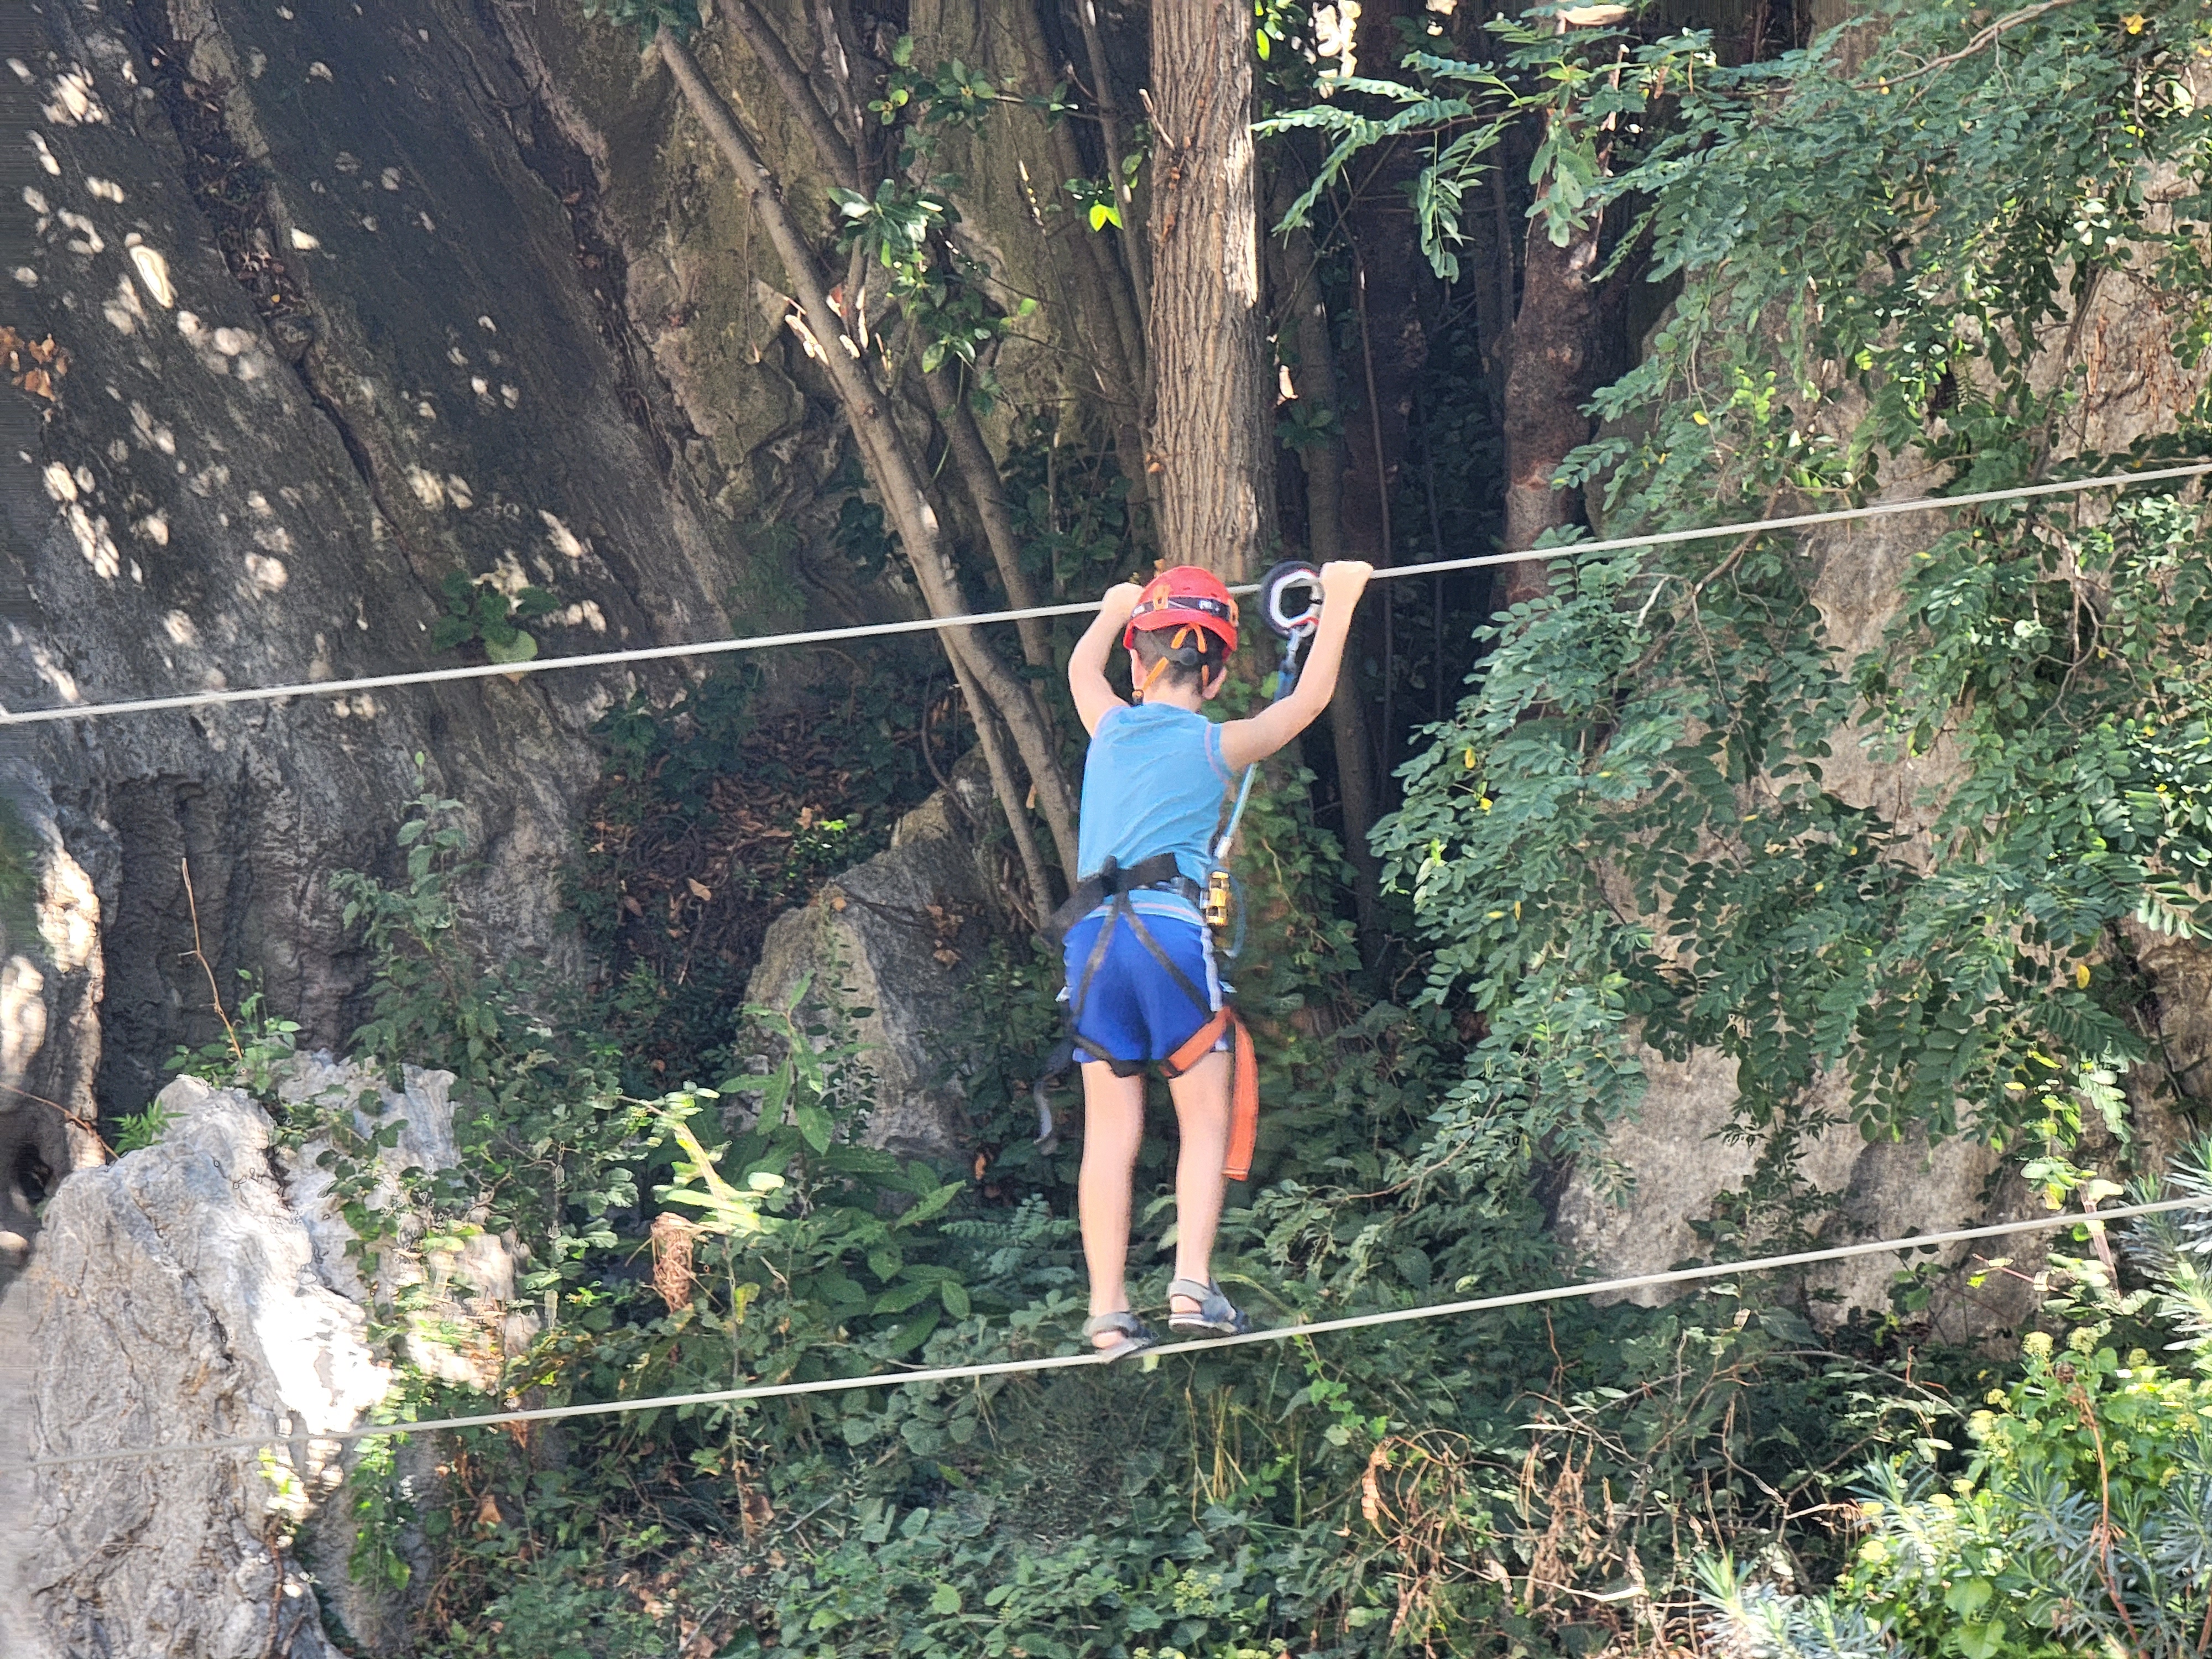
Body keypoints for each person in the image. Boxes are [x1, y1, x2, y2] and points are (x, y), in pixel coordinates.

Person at [1063, 560, 1373, 1358]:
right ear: (1219, 676)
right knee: (1204, 1119)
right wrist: (1341, 599)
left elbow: (1079, 669)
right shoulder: (1215, 745)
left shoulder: (1108, 726)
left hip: (1090, 942)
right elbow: (1307, 703)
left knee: (1111, 1132)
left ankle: (1106, 1313)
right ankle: (1191, 1286)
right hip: (1168, 934)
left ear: (1136, 665)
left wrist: (1112, 607)